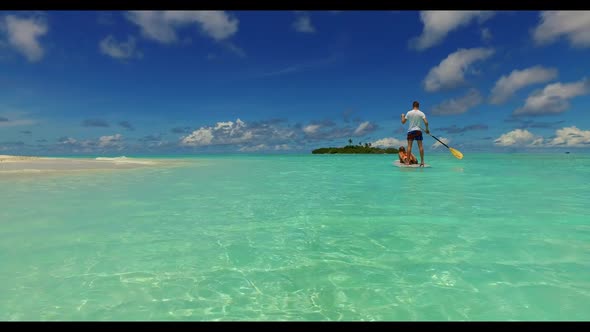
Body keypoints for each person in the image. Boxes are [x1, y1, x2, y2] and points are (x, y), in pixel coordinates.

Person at [401, 101, 429, 167]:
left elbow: (403, 122)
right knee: (420, 146)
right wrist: (427, 129)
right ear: (418, 106)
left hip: (411, 131)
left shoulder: (409, 112)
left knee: (409, 146)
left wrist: (402, 116)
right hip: (418, 131)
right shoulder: (421, 113)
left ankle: (407, 162)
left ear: (413, 106)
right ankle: (422, 162)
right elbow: (426, 122)